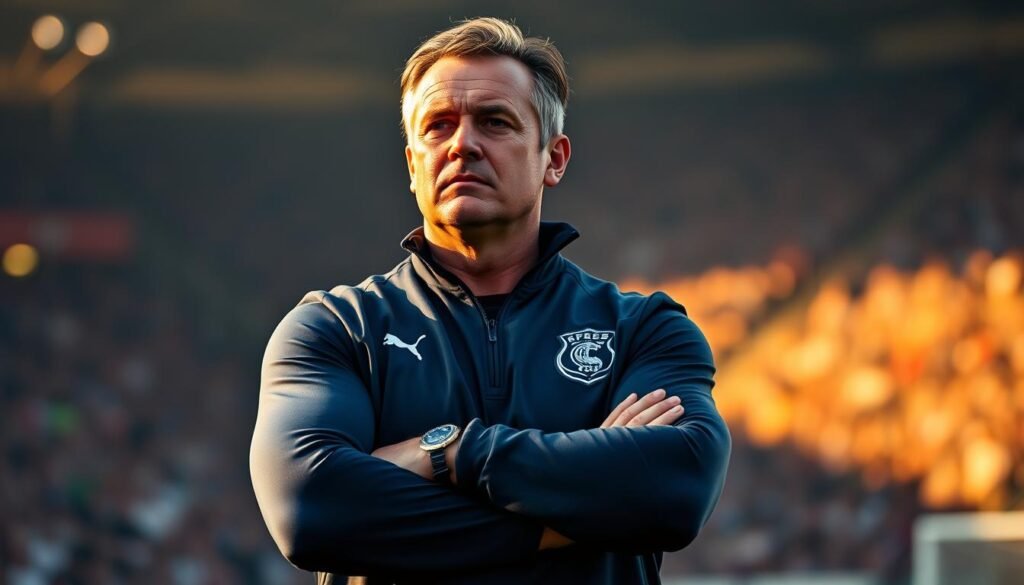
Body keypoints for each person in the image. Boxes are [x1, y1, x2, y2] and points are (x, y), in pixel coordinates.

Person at [250, 17, 731, 585]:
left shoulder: (644, 330)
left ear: (554, 158)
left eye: (495, 122)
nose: (463, 144)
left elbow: (673, 490)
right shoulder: (334, 328)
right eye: (438, 126)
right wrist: (571, 516)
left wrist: (449, 451)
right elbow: (313, 511)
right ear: (411, 164)